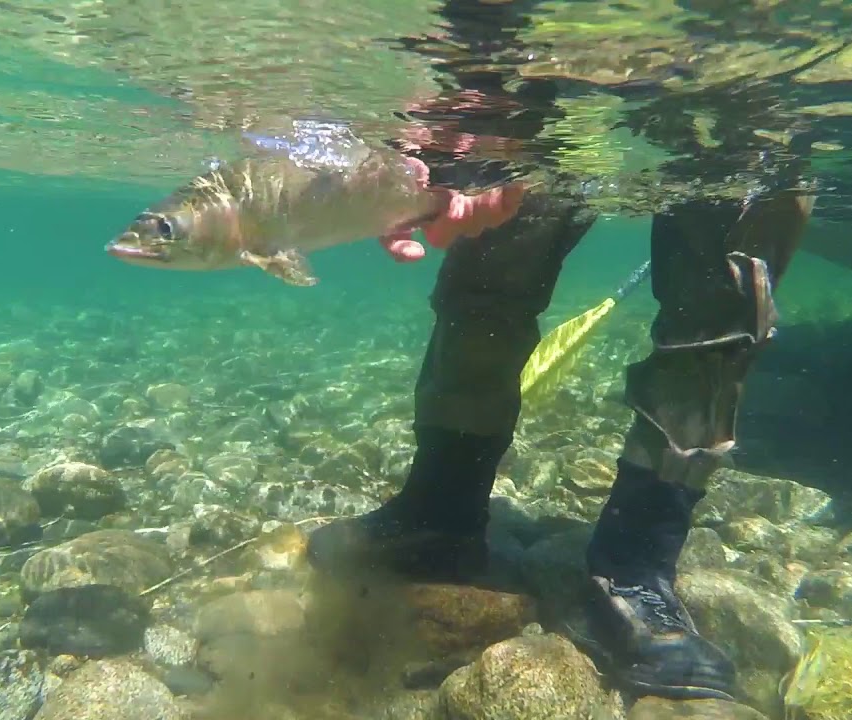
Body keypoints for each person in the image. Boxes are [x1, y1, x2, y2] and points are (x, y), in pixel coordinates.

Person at [305, 0, 814, 702]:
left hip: (742, 50)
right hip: (525, 52)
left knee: (719, 323)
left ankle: (638, 566)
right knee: (487, 279)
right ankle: (441, 509)